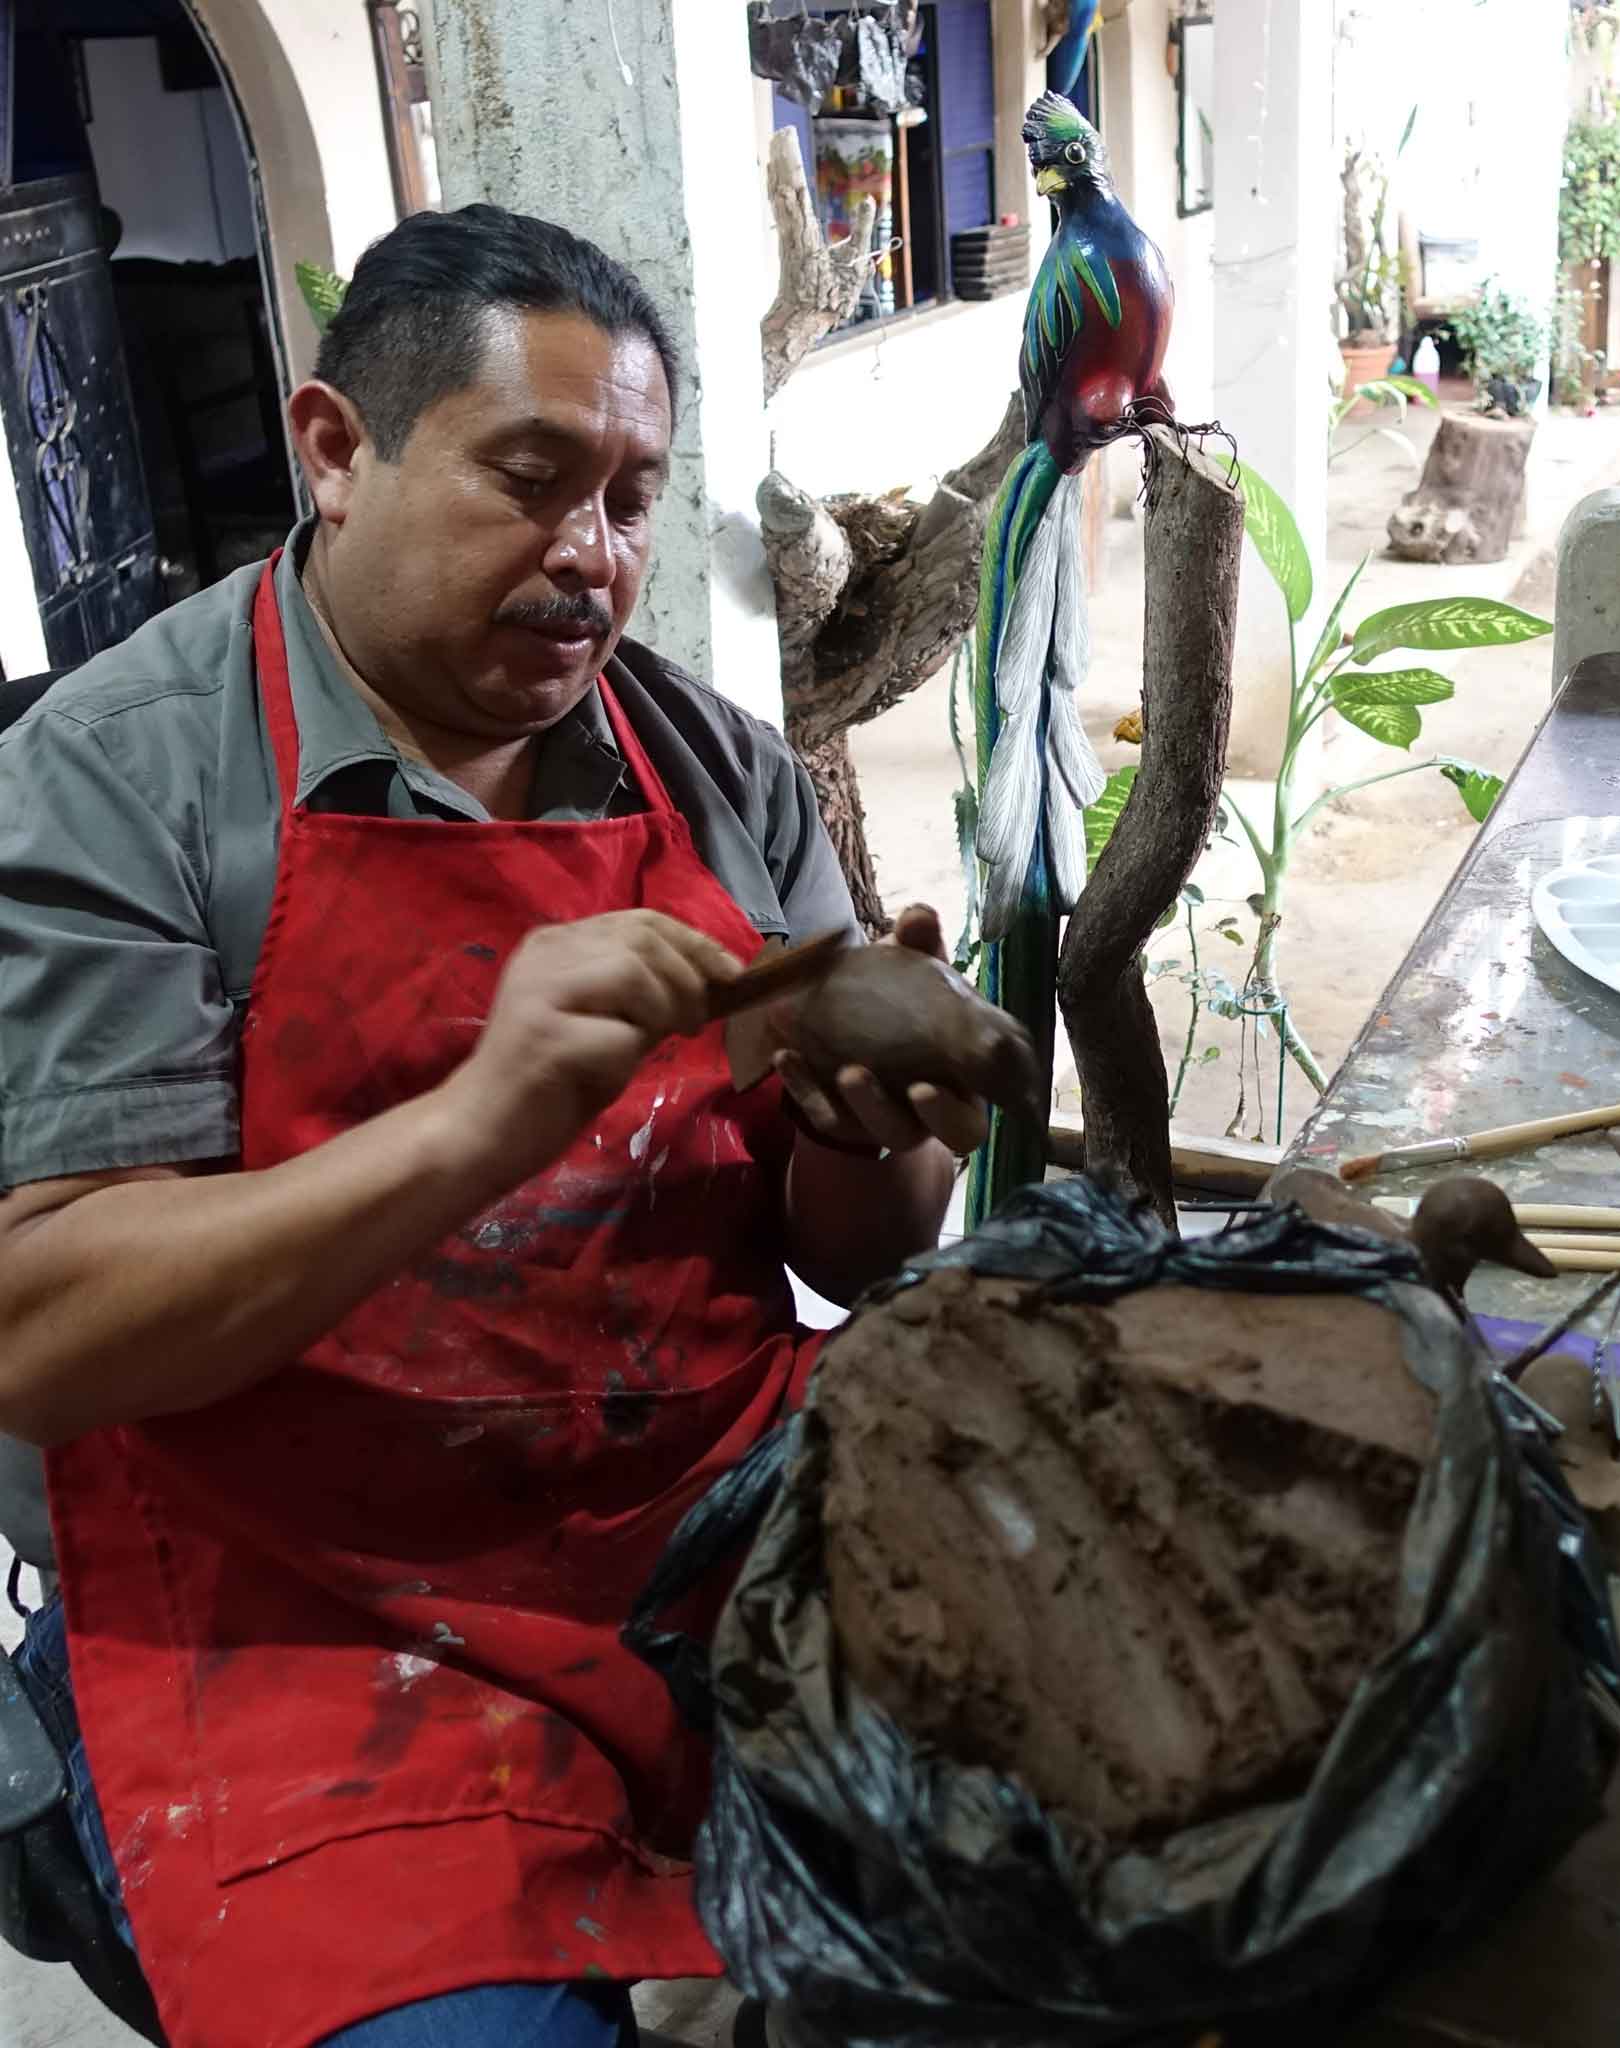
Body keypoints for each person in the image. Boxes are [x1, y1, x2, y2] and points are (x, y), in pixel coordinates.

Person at [0, 204, 987, 2047]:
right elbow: (41, 1333)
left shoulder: (711, 768)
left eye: (630, 500)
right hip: (312, 1609)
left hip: (710, 1508)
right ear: (336, 450)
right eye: (532, 482)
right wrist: (480, 1122)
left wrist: (872, 1131)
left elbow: (857, 1252)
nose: (592, 557)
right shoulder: (118, 786)